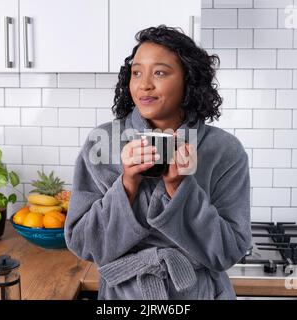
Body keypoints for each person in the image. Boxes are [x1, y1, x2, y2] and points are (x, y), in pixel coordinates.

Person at [64, 25, 251, 300]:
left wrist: (180, 189)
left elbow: (228, 252)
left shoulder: (224, 151)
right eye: (136, 72)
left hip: (197, 293)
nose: (144, 84)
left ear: (189, 79)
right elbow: (84, 245)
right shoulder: (102, 142)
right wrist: (127, 184)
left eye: (160, 72)